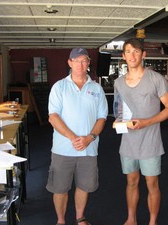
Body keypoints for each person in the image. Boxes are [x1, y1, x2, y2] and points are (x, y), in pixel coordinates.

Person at [113, 38, 168, 225]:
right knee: (131, 182)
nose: (132, 55)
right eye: (128, 52)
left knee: (152, 184)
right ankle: (131, 218)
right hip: (128, 143)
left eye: (136, 51)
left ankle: (152, 222)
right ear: (123, 56)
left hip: (150, 142)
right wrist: (118, 121)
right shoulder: (118, 83)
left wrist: (147, 122)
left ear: (143, 54)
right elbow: (120, 111)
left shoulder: (156, 79)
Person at [46, 47, 108, 225]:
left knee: (84, 186)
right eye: (77, 60)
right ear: (70, 63)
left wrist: (90, 137)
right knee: (60, 188)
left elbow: (102, 117)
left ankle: (80, 217)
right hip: (63, 149)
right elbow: (53, 117)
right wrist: (73, 138)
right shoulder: (59, 87)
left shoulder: (97, 89)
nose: (80, 64)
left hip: (88, 149)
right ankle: (60, 220)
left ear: (89, 63)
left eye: (84, 60)